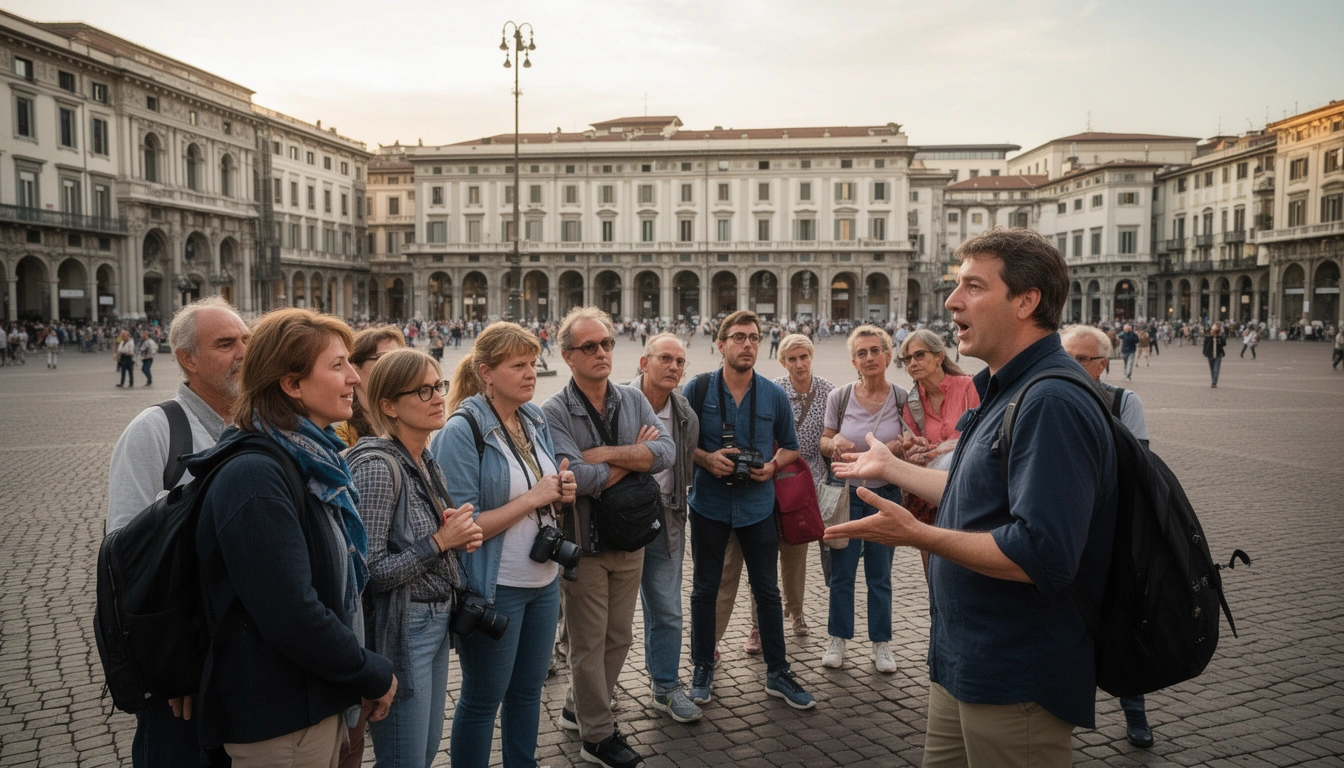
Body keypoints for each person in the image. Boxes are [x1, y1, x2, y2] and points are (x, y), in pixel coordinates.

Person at [827, 228, 1117, 767]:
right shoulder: (1003, 389)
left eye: (973, 287)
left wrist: (917, 535)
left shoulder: (1050, 400)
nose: (952, 301)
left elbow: (1043, 553)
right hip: (963, 660)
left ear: (1026, 301)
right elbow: (972, 489)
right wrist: (893, 468)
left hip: (1015, 675)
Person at [190, 308, 398, 767]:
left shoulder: (314, 460)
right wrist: (370, 672)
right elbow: (291, 612)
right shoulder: (255, 475)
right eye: (338, 365)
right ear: (292, 384)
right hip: (276, 718)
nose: (355, 378)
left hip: (312, 699)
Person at [106, 297, 250, 767]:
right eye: (227, 343)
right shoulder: (155, 430)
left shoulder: (256, 428)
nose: (244, 352)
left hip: (245, 661)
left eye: (247, 340)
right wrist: (176, 668)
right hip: (183, 678)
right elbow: (129, 562)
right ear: (187, 358)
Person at [430, 322, 576, 768]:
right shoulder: (462, 429)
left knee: (528, 690)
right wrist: (534, 497)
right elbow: (461, 527)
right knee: (482, 697)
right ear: (486, 372)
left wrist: (560, 490)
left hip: (543, 580)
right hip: (496, 587)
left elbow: (542, 489)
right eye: (519, 365)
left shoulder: (532, 418)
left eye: (533, 363)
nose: (532, 373)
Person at [543, 307, 674, 768]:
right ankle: (597, 736)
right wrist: (632, 457)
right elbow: (573, 476)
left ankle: (579, 709)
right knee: (587, 641)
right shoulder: (554, 411)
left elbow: (665, 452)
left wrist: (607, 457)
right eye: (589, 347)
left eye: (606, 344)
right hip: (586, 542)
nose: (601, 353)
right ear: (567, 356)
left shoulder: (631, 398)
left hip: (632, 537)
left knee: (619, 636)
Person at [349, 348, 483, 768]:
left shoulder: (424, 458)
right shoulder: (376, 467)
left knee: (422, 753)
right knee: (404, 757)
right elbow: (367, 574)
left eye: (438, 386)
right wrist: (439, 542)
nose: (438, 397)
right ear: (388, 405)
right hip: (403, 628)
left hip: (435, 620)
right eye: (422, 391)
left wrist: (451, 537)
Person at [684, 310, 816, 710]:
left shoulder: (773, 394)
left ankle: (778, 671)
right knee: (705, 589)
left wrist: (773, 466)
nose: (747, 345)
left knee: (767, 590)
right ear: (721, 344)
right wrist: (706, 459)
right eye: (738, 337)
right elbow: (677, 443)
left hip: (759, 506)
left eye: (755, 338)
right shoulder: (699, 388)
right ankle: (703, 665)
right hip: (708, 504)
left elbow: (791, 446)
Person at [1059, 323, 1154, 749]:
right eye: (1069, 358)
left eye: (1084, 360)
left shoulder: (1123, 401)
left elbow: (1138, 464)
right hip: (1063, 533)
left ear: (1104, 364)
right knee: (1063, 628)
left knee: (1121, 626)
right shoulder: (1050, 397)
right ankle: (1061, 719)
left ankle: (1135, 712)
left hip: (1112, 533)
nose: (1075, 367)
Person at [715, 333, 830, 659]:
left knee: (795, 558)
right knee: (762, 563)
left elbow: (832, 435)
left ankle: (796, 611)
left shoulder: (827, 391)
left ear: (811, 356)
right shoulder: (770, 391)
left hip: (805, 487)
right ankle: (757, 626)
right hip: (767, 483)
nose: (799, 364)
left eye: (804, 356)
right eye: (792, 358)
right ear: (782, 362)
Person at [818, 325, 908, 673]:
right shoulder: (839, 397)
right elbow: (824, 442)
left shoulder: (902, 397)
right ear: (853, 360)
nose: (869, 358)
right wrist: (834, 443)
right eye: (861, 353)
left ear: (888, 354)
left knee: (880, 574)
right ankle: (837, 638)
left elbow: (912, 441)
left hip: (886, 494)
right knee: (842, 572)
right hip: (847, 495)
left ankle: (881, 643)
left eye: (875, 350)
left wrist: (899, 448)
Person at [631, 333, 703, 724]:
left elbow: (684, 469)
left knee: (668, 608)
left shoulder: (685, 415)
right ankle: (587, 696)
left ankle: (666, 686)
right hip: (620, 521)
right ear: (644, 363)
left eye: (680, 361)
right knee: (607, 616)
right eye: (665, 359)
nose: (674, 367)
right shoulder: (617, 403)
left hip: (667, 518)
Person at [895, 328, 979, 576]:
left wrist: (944, 447)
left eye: (919, 355)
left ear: (939, 356)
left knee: (969, 571)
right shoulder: (911, 401)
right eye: (907, 359)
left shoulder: (968, 387)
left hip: (967, 492)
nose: (912, 363)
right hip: (930, 499)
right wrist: (912, 450)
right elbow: (912, 444)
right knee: (934, 574)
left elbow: (981, 435)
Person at [336, 326, 407, 447]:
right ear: (355, 369)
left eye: (401, 359)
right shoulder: (339, 427)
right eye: (385, 359)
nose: (396, 367)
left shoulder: (406, 419)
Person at [1203, 324, 1227, 388]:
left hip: (1218, 355)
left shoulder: (1219, 338)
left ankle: (1214, 382)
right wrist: (1204, 353)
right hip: (1210, 355)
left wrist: (1220, 335)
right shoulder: (1208, 338)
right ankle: (1213, 380)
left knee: (1216, 369)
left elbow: (1224, 343)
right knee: (1212, 369)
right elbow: (1205, 346)